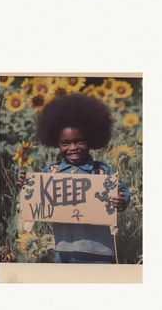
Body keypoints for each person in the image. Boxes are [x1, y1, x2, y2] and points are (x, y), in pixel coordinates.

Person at [16, 92, 130, 264]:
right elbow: (35, 196)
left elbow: (123, 194)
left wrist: (121, 201)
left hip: (100, 251)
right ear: (56, 143)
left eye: (80, 141)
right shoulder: (51, 172)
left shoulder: (102, 171)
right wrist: (26, 186)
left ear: (91, 139)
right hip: (64, 251)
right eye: (65, 143)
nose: (73, 148)